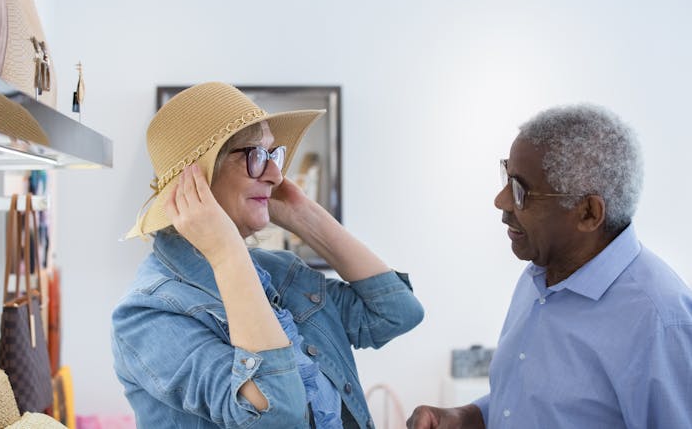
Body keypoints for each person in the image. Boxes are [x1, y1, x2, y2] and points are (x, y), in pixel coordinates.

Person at [112, 82, 424, 428]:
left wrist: (303, 215)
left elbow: (397, 313)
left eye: (273, 155)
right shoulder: (146, 316)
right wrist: (227, 252)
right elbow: (275, 414)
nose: (276, 175)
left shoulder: (279, 272)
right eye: (255, 156)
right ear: (199, 177)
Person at [407, 104, 692, 429]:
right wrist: (469, 417)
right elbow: (541, 404)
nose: (500, 201)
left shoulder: (662, 323)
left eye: (521, 191)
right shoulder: (538, 276)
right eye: (506, 177)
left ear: (588, 213)